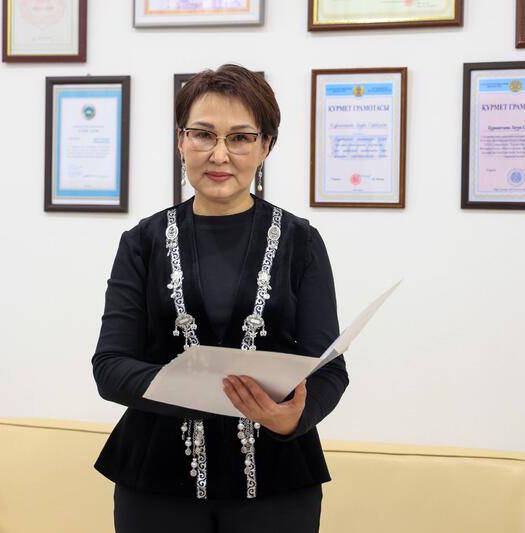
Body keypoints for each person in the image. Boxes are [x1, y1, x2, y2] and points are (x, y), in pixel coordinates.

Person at [91, 64, 349, 533]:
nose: (220, 154)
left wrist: (292, 418)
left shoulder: (302, 242)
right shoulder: (142, 242)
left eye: (241, 138)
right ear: (181, 140)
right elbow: (110, 368)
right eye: (203, 134)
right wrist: (209, 391)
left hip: (278, 482)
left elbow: (329, 367)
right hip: (155, 482)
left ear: (266, 146)